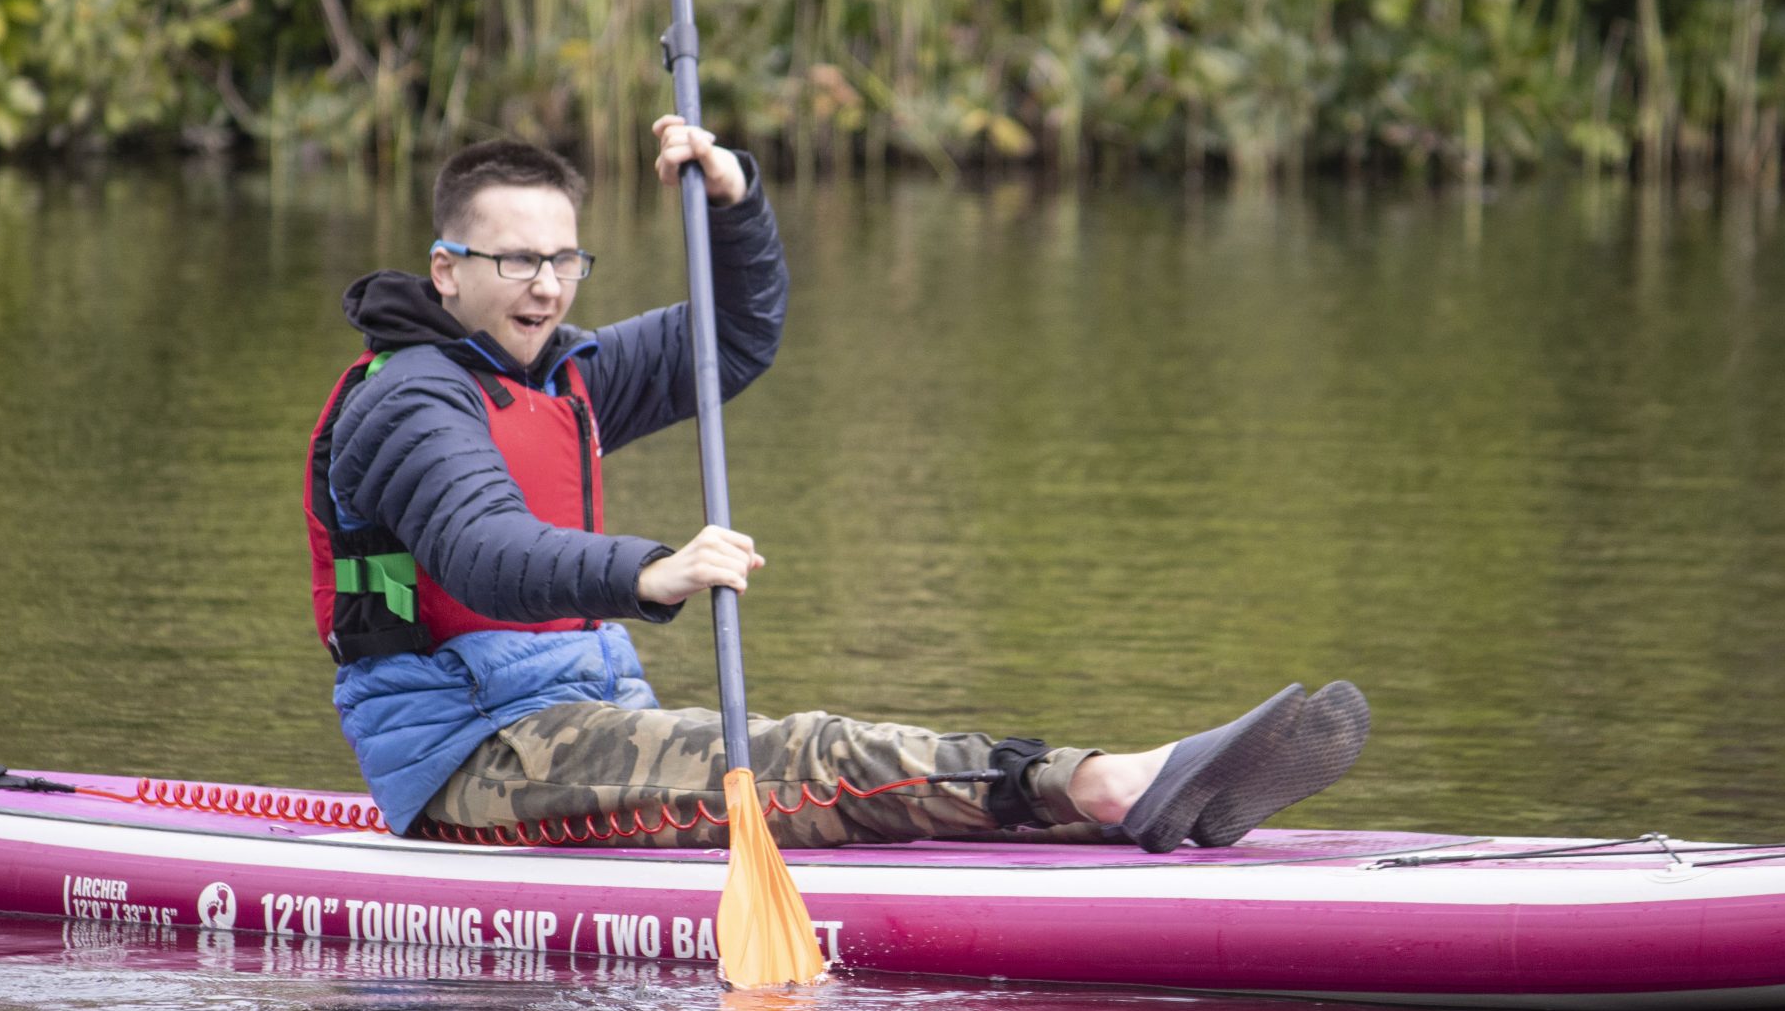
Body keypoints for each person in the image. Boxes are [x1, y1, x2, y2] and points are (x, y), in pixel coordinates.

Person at [305, 123, 1368, 853]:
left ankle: (1091, 807)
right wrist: (652, 570)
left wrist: (733, 201)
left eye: (563, 261)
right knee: (797, 756)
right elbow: (481, 549)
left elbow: (731, 336)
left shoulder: (559, 378)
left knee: (780, 758)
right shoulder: (408, 403)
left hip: (579, 723)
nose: (543, 283)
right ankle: (1092, 783)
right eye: (513, 261)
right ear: (446, 270)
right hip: (471, 761)